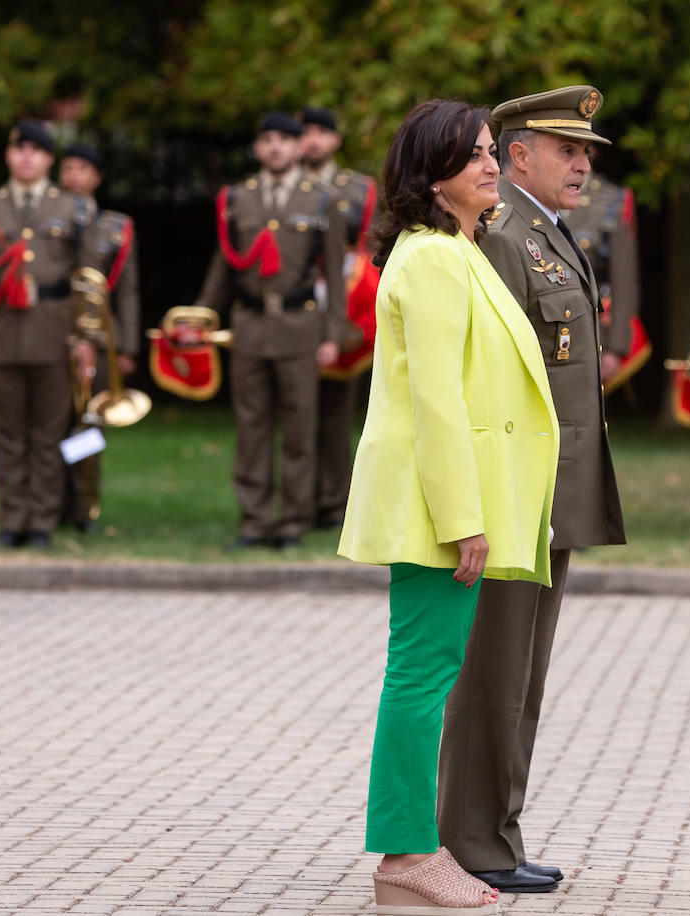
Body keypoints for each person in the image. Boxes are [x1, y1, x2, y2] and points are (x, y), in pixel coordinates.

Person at [337, 98, 559, 915]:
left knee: (426, 672)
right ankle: (404, 856)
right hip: (438, 508)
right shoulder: (432, 259)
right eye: (472, 156)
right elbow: (435, 400)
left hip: (448, 501)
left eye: (493, 151)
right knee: (421, 676)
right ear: (431, 175)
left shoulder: (455, 250)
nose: (491, 164)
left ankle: (412, 852)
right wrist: (464, 516)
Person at [437, 85, 626, 896]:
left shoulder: (546, 234)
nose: (583, 164)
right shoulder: (506, 236)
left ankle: (498, 834)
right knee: (494, 670)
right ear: (518, 156)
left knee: (523, 674)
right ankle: (472, 841)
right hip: (516, 489)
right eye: (567, 150)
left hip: (552, 488)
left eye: (587, 152)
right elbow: (487, 381)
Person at [193, 112, 350, 550]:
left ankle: (294, 521)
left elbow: (335, 275)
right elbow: (224, 263)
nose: (276, 147)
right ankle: (255, 519)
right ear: (258, 148)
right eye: (267, 140)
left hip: (301, 326)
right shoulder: (237, 198)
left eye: (285, 139)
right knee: (252, 426)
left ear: (300, 147)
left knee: (300, 428)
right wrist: (203, 316)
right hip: (249, 324)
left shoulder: (321, 199)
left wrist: (333, 335)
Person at [0, 119, 90, 550]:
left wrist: (85, 338)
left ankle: (42, 522)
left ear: (50, 158)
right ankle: (12, 519)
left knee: (48, 434)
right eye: (19, 149)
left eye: (36, 149)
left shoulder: (72, 208)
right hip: (2, 334)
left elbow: (87, 280)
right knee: (8, 435)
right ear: (9, 156)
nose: (27, 157)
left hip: (54, 333)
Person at [300, 106, 378, 530]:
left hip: (347, 307)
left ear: (335, 140)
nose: (311, 140)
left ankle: (337, 502)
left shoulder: (360, 189)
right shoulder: (283, 189)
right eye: (305, 132)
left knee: (337, 414)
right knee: (297, 414)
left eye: (320, 132)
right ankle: (301, 500)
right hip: (295, 308)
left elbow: (373, 249)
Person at [57, 141, 140, 532]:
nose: (73, 174)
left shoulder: (115, 227)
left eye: (82, 168)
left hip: (102, 340)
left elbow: (127, 290)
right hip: (56, 336)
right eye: (68, 167)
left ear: (97, 178)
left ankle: (84, 502)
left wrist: (126, 346)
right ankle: (50, 502)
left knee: (90, 423)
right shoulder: (47, 220)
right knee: (53, 422)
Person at [561, 173, 639, 388]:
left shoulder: (612, 199)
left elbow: (623, 280)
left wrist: (616, 347)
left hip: (592, 332)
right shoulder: (534, 193)